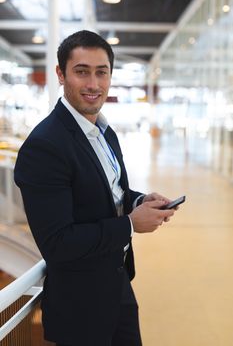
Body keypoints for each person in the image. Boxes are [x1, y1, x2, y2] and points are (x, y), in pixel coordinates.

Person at [14, 30, 176, 346]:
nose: (93, 84)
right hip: (80, 309)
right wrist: (131, 224)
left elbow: (109, 192)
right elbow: (58, 244)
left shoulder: (102, 130)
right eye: (81, 72)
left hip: (118, 284)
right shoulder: (45, 147)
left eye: (101, 73)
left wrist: (142, 200)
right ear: (61, 75)